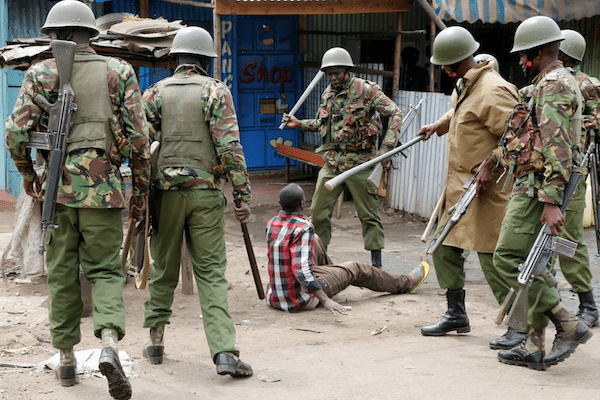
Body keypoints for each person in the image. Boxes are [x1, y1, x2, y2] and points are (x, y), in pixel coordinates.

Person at [4, 1, 150, 399]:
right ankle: (107, 343)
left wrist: (29, 176)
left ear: (62, 35)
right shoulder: (119, 71)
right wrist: (140, 188)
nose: (51, 44)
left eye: (53, 37)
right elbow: (139, 139)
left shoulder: (40, 72)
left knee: (62, 273)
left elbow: (16, 134)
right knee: (105, 272)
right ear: (88, 34)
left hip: (57, 191)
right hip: (104, 192)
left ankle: (67, 361)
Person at [479, 15, 593, 370]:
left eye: (525, 55)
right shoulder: (554, 81)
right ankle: (532, 343)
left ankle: (568, 322)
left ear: (541, 52)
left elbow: (557, 144)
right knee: (534, 264)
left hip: (538, 188)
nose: (520, 61)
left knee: (508, 258)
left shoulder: (554, 85)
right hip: (537, 184)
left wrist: (550, 200)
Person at [141, 26, 253, 378]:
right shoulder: (216, 91)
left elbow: (143, 148)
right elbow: (230, 148)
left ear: (176, 58)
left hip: (165, 194)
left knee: (163, 270)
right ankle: (223, 352)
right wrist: (242, 195)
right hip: (205, 193)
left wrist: (141, 195)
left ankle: (156, 342)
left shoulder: (155, 92)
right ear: (206, 60)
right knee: (212, 275)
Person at [416, 27, 519, 348]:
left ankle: (519, 325)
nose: (446, 71)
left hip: (488, 189)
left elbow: (518, 135)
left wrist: (493, 163)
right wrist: (439, 125)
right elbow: (460, 110)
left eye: (448, 66)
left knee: (492, 256)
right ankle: (456, 313)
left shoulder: (494, 90)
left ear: (463, 60)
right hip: (459, 187)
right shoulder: (466, 86)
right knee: (444, 246)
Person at [282, 47, 403, 269]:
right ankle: (319, 261)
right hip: (332, 162)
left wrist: (387, 146)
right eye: (329, 74)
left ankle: (377, 266)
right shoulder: (327, 94)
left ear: (347, 71)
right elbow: (323, 124)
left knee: (368, 215)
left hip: (360, 162)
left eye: (337, 73)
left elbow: (395, 112)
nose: (333, 78)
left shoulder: (366, 90)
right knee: (317, 213)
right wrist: (300, 123)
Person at [265, 183, 428, 313]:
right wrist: (325, 299)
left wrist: (305, 225)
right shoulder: (303, 228)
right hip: (301, 299)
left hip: (275, 298)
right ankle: (406, 283)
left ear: (280, 203)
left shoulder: (272, 223)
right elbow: (301, 271)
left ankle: (333, 275)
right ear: (302, 204)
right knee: (357, 268)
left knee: (314, 239)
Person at [555, 29, 600, 328]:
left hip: (572, 169)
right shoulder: (553, 80)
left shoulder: (586, 84)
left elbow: (594, 122)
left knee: (568, 238)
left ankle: (588, 304)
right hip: (549, 171)